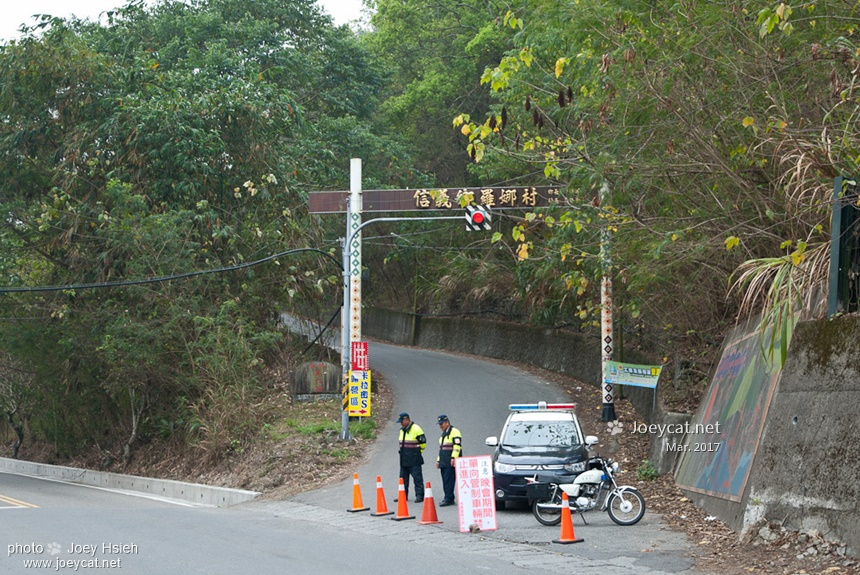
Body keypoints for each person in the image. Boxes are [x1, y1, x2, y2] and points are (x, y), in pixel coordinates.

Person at [396, 412, 426, 503]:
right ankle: (403, 496)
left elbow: (423, 443)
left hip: (414, 458)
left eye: (402, 421)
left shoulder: (416, 429)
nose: (401, 423)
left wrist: (418, 453)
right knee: (402, 479)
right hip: (404, 458)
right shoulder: (402, 430)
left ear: (407, 420)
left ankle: (420, 495)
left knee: (417, 478)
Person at [435, 414, 462, 506]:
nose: (440, 426)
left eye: (442, 424)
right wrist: (438, 460)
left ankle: (448, 498)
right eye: (439, 424)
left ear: (447, 423)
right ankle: (448, 496)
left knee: (449, 479)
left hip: (450, 461)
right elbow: (441, 449)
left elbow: (457, 446)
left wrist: (454, 458)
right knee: (445, 479)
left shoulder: (455, 432)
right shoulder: (443, 435)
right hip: (444, 461)